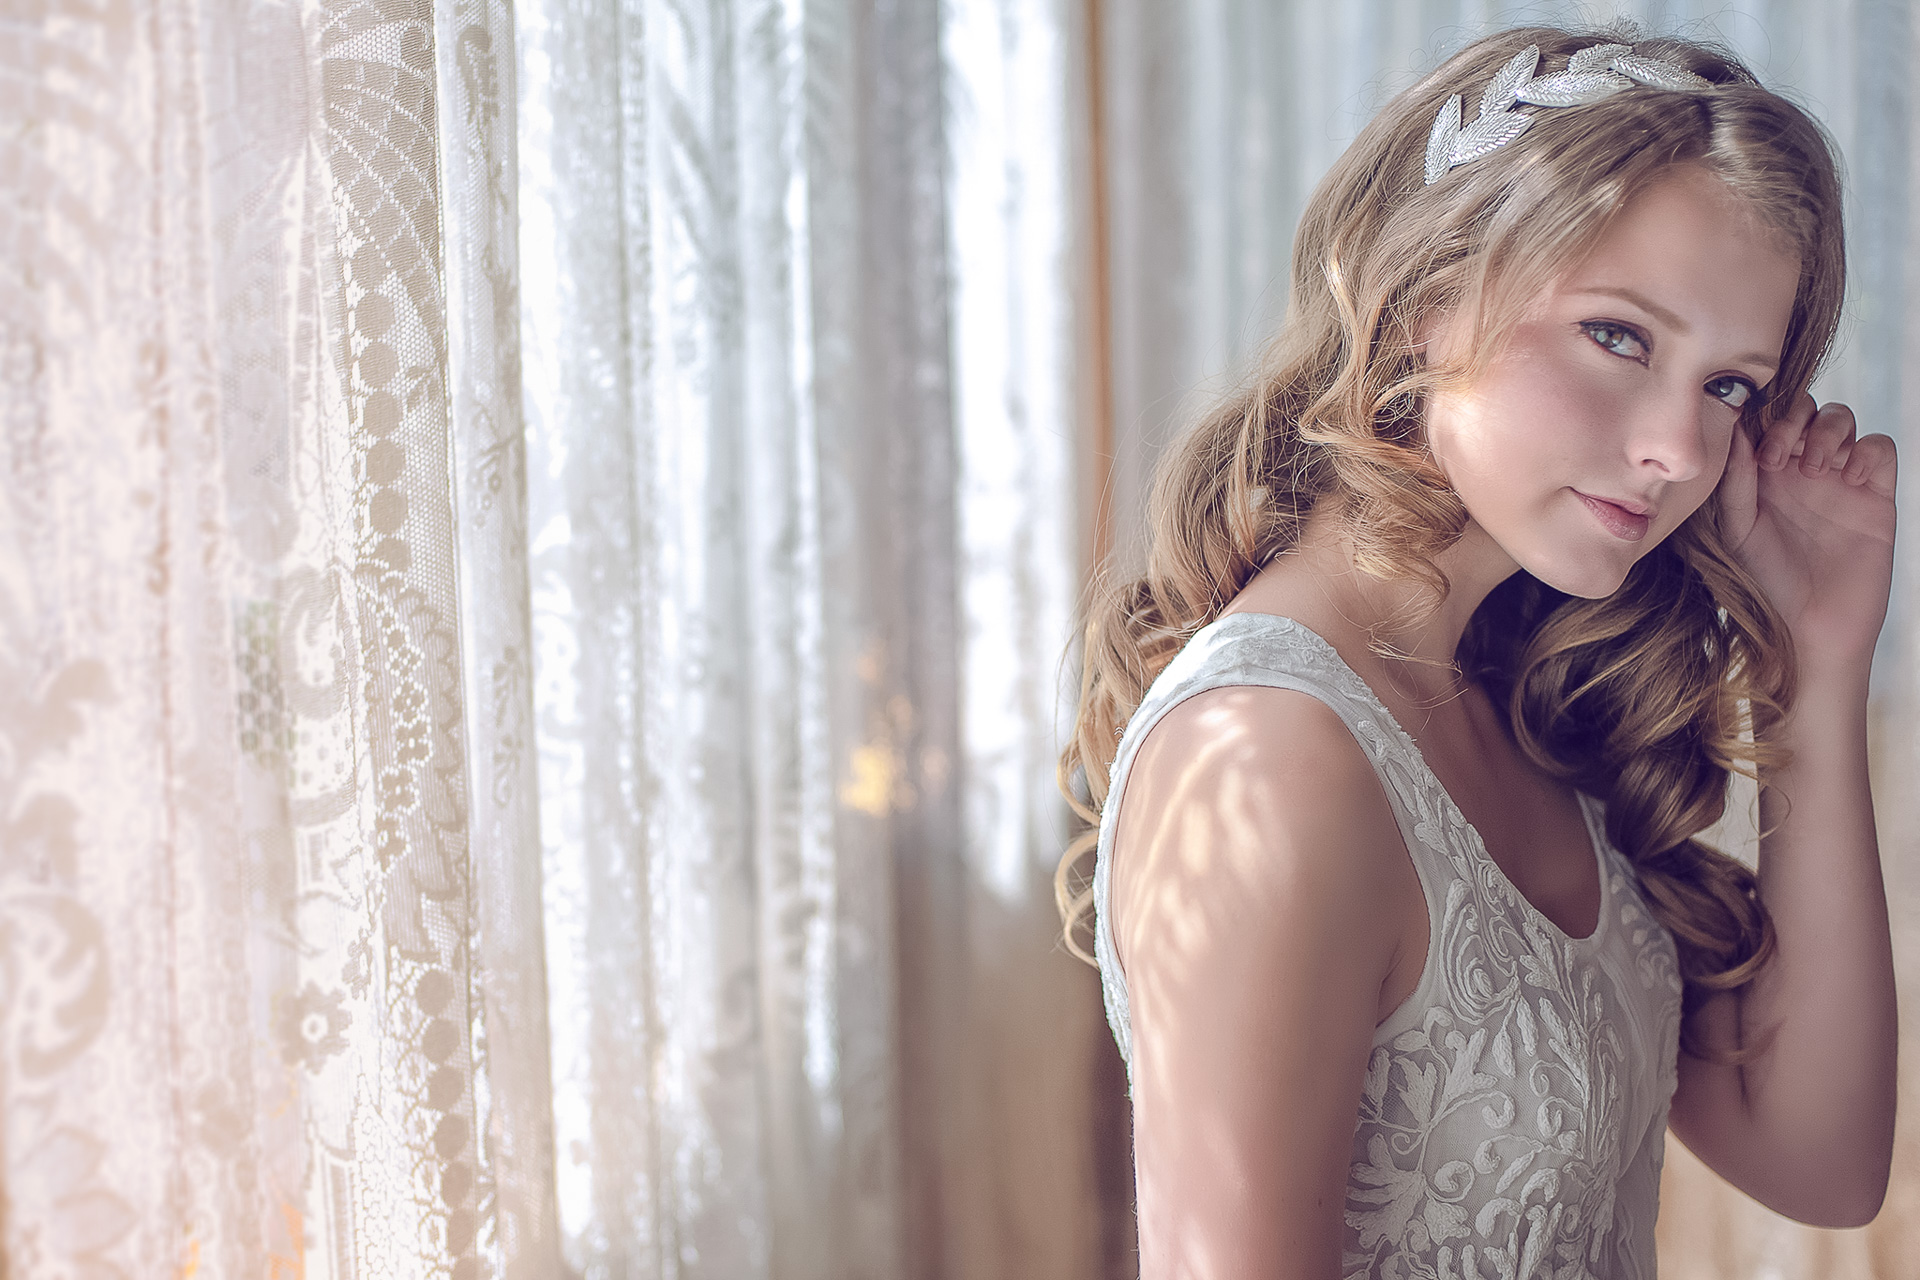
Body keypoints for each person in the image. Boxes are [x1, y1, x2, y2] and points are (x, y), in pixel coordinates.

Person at [1057, 23, 1899, 1280]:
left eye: (1728, 386)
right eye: (1619, 336)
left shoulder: (1526, 697)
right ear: (1422, 293)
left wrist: (1819, 668)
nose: (1677, 444)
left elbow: (1822, 1159)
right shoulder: (1270, 755)